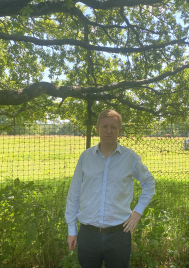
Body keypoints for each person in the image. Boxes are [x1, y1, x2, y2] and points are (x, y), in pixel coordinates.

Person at [65, 109, 155, 268]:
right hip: (88, 234)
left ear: (120, 131)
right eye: (105, 126)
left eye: (113, 127)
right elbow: (74, 194)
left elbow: (149, 183)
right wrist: (72, 229)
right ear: (97, 128)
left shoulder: (130, 157)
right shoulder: (86, 157)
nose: (109, 131)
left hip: (119, 235)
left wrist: (137, 212)